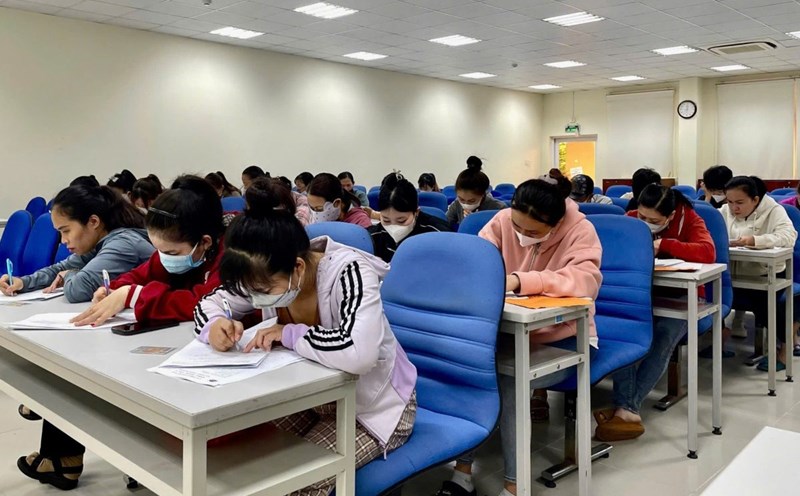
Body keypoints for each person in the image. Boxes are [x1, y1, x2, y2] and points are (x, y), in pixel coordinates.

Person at [194, 191, 418, 496]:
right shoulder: (264, 270)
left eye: (262, 290)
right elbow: (210, 302)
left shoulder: (349, 272)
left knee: (297, 482)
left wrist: (289, 333)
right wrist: (215, 324)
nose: (256, 297)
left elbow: (359, 353)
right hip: (310, 398)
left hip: (372, 407)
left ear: (298, 267)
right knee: (243, 464)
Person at [15, 177, 225, 491]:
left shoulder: (228, 258)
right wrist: (111, 288)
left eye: (169, 251)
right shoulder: (170, 249)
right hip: (174, 339)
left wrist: (133, 295)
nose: (162, 256)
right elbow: (139, 275)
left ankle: (67, 456)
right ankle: (64, 453)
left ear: (205, 243)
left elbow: (204, 301)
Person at [437, 179, 602, 496]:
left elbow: (584, 283)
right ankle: (462, 473)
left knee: (508, 379)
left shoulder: (581, 231)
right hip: (508, 333)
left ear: (555, 225)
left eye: (535, 233)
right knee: (470, 369)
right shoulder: (501, 222)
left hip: (566, 339)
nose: (522, 235)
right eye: (517, 226)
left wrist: (519, 280)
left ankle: (514, 486)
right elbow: (476, 263)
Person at [595, 184, 715, 442]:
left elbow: (708, 252)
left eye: (655, 221)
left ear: (670, 216)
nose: (646, 223)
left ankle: (627, 407)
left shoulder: (690, 219)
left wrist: (666, 244)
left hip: (683, 298)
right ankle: (627, 410)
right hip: (642, 298)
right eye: (642, 217)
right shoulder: (630, 221)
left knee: (663, 337)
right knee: (623, 332)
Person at [0, 185, 153, 303]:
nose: (63, 240)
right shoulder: (98, 242)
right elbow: (59, 268)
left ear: (93, 222)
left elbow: (78, 289)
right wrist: (23, 282)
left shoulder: (123, 243)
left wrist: (69, 274)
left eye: (66, 231)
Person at [721, 176, 798, 372]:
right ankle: (718, 336)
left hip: (765, 274)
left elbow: (788, 237)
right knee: (711, 293)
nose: (733, 208)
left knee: (765, 301)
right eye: (729, 202)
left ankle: (784, 348)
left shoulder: (774, 211)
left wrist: (754, 240)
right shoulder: (723, 212)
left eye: (739, 203)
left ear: (755, 200)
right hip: (732, 275)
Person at [368, 172, 451, 263]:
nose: (393, 227)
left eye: (401, 221)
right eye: (386, 220)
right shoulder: (371, 237)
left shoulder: (438, 234)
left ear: (416, 212)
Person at [445, 158, 506, 226]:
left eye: (471, 201)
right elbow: (445, 223)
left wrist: (476, 221)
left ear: (483, 194)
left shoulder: (499, 208)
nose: (466, 204)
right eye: (461, 199)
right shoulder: (457, 204)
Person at [307, 173, 372, 227]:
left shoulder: (360, 221)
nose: (315, 214)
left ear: (337, 203)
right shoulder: (314, 219)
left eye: (319, 209)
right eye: (312, 208)